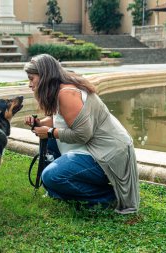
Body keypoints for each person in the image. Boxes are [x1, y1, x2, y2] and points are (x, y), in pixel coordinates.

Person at [23, 54, 139, 214]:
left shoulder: (67, 93)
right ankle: (60, 189)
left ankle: (108, 198)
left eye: (31, 79)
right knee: (49, 165)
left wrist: (49, 132)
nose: (29, 84)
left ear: (44, 76)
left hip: (106, 154)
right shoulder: (60, 88)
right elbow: (60, 119)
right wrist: (40, 124)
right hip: (92, 149)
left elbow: (83, 134)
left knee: (51, 177)